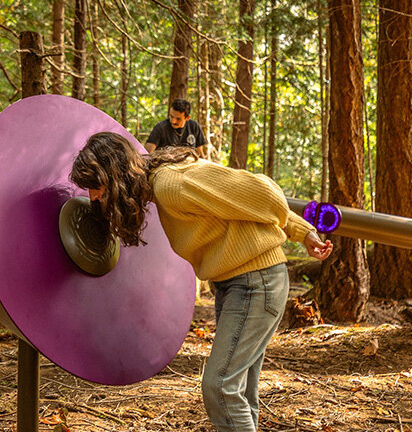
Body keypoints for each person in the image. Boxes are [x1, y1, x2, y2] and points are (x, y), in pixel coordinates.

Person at [70, 132, 332, 432]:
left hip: (256, 281)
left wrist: (301, 230)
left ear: (116, 174)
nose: (94, 197)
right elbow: (244, 207)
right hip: (237, 282)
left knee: (220, 387)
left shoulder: (172, 184)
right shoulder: (159, 186)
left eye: (96, 186)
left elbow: (263, 196)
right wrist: (305, 231)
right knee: (240, 390)